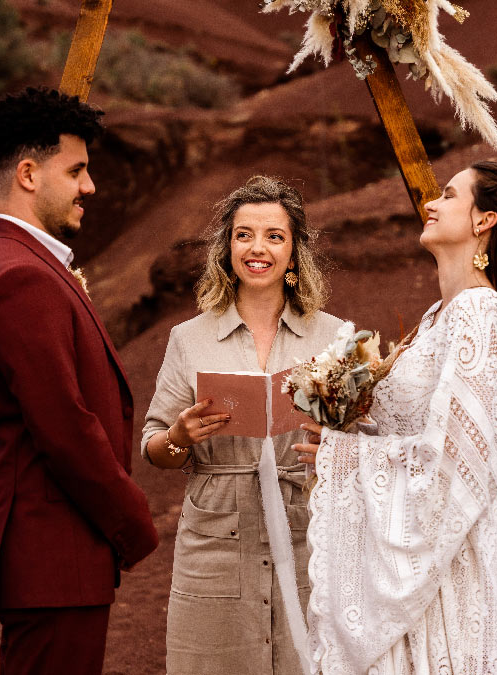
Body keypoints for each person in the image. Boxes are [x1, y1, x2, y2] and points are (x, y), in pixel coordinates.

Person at [295, 161, 497, 674]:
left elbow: (462, 460)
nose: (431, 204)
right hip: (419, 548)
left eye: (450, 195)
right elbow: (418, 433)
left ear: (485, 221)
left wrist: (346, 456)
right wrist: (345, 428)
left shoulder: (479, 313)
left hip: (455, 560)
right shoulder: (440, 315)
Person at [0, 87, 159, 675]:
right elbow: (64, 426)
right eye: (75, 170)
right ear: (28, 173)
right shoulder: (20, 275)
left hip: (55, 557)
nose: (89, 186)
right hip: (51, 556)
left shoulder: (25, 262)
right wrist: (132, 522)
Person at [142, 176, 345, 674]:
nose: (258, 248)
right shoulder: (188, 338)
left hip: (308, 536)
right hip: (214, 543)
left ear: (295, 252)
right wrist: (179, 438)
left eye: (275, 236)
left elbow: (363, 437)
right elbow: (152, 447)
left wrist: (336, 452)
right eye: (244, 234)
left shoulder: (335, 335)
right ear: (226, 248)